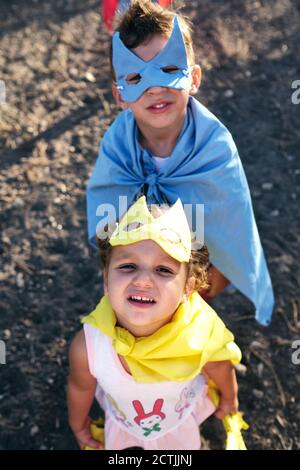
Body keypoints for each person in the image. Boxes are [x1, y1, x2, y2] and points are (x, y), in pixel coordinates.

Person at [86, 0, 274, 325]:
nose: (156, 88)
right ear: (120, 95)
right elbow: (107, 215)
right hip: (143, 261)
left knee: (201, 295)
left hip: (199, 262)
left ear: (194, 78)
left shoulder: (213, 146)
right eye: (135, 77)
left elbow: (228, 220)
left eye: (170, 70)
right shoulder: (117, 145)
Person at [68, 196, 248, 450]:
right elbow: (80, 387)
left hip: (177, 420)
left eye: (163, 270)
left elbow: (220, 366)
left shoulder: (198, 335)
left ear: (188, 287)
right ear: (106, 280)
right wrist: (78, 424)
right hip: (124, 419)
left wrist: (230, 398)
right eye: (128, 266)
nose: (143, 280)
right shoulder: (88, 347)